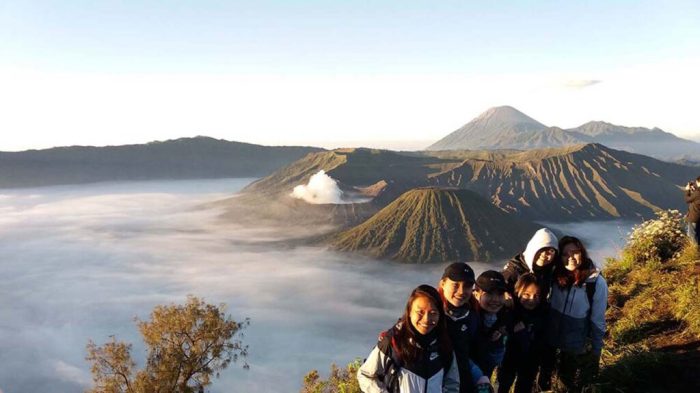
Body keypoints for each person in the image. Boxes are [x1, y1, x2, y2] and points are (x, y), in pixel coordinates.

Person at [357, 284, 460, 393]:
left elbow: (452, 382)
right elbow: (365, 375)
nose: (426, 319)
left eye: (433, 313)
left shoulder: (443, 344)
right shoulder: (393, 342)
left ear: (440, 315)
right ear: (409, 312)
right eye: (420, 312)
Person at [547, 236, 608, 392]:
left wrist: (596, 349)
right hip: (551, 343)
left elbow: (598, 320)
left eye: (574, 252)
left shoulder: (595, 283)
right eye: (565, 254)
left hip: (576, 347)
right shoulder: (555, 276)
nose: (570, 258)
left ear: (582, 252)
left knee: (573, 385)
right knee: (554, 383)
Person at [438, 263, 492, 393]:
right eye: (455, 285)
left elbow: (471, 353)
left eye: (467, 286)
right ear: (443, 284)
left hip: (463, 383)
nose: (461, 291)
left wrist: (480, 377)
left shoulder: (472, 315)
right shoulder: (429, 314)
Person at [497, 273, 547, 393]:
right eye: (526, 294)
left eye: (536, 295)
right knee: (503, 385)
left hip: (531, 360)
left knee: (524, 386)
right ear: (517, 292)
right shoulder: (509, 311)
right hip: (509, 359)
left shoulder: (543, 312)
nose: (532, 300)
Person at [472, 270, 511, 381]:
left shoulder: (504, 316)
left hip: (486, 374)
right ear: (476, 294)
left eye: (500, 294)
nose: (495, 299)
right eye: (489, 294)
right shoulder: (468, 318)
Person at [502, 228, 558, 301]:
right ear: (533, 249)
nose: (544, 254)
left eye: (551, 250)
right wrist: (503, 294)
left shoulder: (549, 271)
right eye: (540, 249)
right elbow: (497, 286)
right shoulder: (514, 269)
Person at [684, 176, 700, 244]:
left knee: (692, 236)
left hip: (694, 217)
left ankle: (694, 252)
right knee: (698, 235)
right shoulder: (697, 193)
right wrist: (694, 189)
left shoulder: (697, 193)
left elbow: (687, 200)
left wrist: (687, 190)